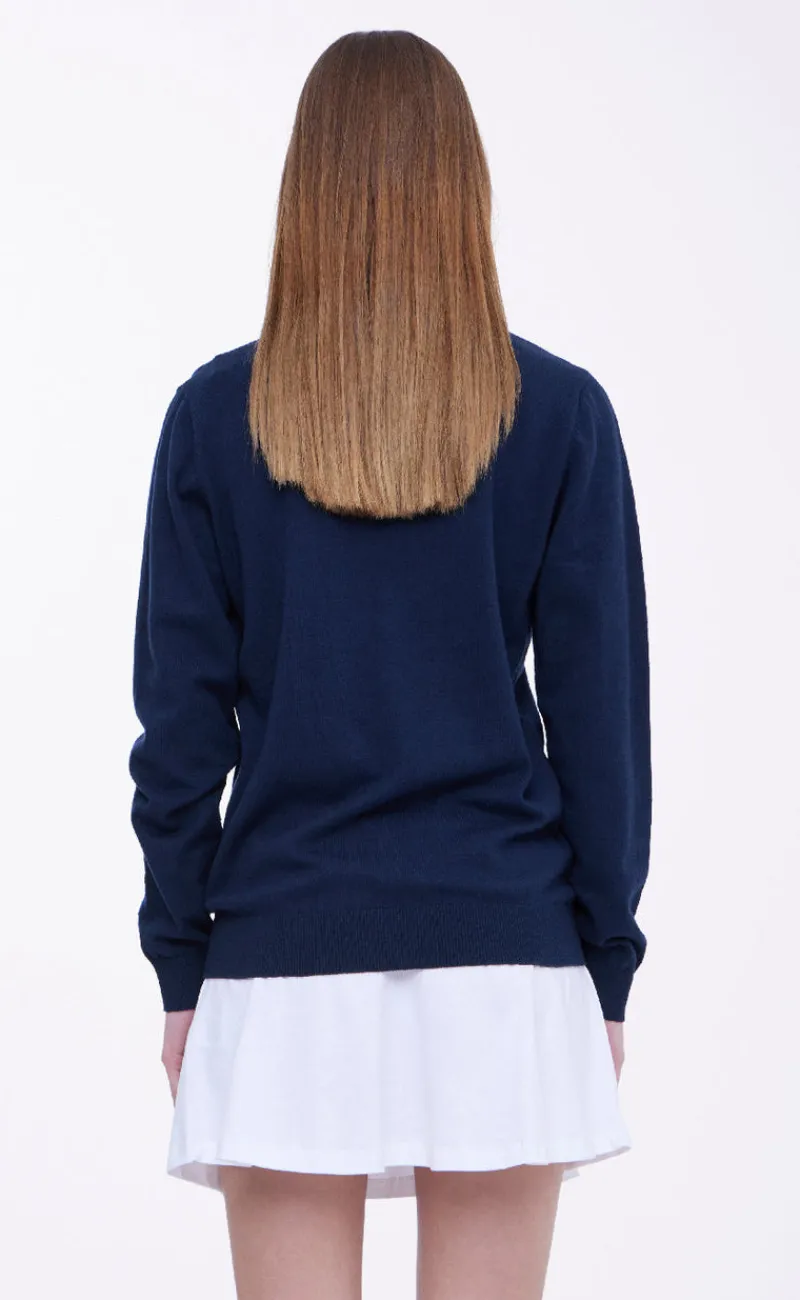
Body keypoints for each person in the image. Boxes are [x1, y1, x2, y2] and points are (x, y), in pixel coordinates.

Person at [128, 28, 651, 1300]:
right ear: (462, 191)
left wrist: (182, 958)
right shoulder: (559, 416)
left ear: (303, 192)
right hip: (505, 960)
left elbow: (180, 737)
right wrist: (604, 959)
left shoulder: (215, 421)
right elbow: (601, 733)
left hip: (282, 958)